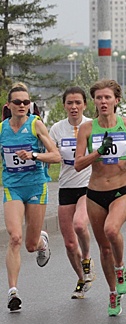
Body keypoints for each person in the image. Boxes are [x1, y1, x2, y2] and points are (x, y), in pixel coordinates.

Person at [74, 79, 126, 316]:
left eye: (107, 97)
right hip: (95, 193)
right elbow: (78, 164)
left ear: (117, 100)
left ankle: (121, 268)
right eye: (99, 98)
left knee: (111, 230)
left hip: (121, 191)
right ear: (94, 103)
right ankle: (113, 293)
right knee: (104, 248)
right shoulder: (87, 129)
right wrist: (98, 152)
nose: (103, 102)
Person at [0, 83, 60, 312]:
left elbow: (55, 156)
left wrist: (34, 155)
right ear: (9, 106)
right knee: (14, 237)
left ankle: (41, 241)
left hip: (36, 186)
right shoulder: (2, 129)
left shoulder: (36, 125)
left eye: (27, 102)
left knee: (30, 244)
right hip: (12, 188)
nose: (23, 106)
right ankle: (12, 291)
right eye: (18, 102)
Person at [49, 87, 95, 299]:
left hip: (88, 185)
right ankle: (81, 278)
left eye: (78, 103)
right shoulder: (57, 129)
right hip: (66, 186)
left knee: (79, 224)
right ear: (64, 106)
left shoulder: (92, 126)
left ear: (85, 104)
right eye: (70, 103)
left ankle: (86, 258)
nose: (74, 107)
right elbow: (51, 154)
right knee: (68, 242)